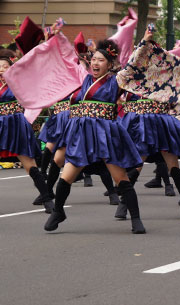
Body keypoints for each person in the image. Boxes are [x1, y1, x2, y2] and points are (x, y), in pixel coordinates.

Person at [44, 39, 146, 233]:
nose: (95, 63)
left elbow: (135, 64)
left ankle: (136, 219)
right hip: (83, 134)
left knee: (121, 178)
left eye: (100, 60)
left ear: (110, 63)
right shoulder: (86, 80)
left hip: (105, 134)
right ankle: (58, 212)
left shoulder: (118, 79)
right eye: (94, 59)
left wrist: (145, 41)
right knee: (66, 177)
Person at [0, 49, 54, 213]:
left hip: (15, 125)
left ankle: (47, 200)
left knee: (29, 164)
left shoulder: (18, 83)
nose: (1, 69)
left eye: (4, 66)